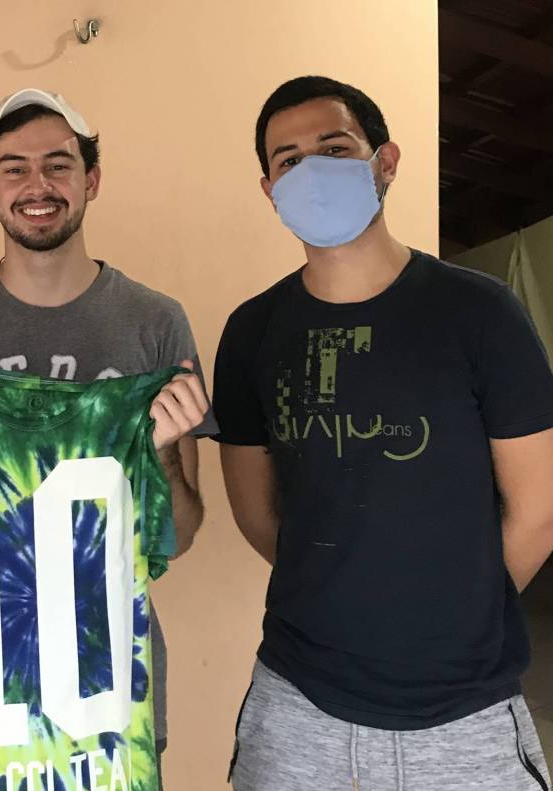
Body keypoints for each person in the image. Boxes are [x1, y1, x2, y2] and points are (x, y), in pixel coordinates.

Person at [213, 75, 553, 790]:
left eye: (334, 148)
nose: (311, 171)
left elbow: (538, 510)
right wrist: (343, 581)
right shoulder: (251, 332)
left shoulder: (481, 314)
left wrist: (456, 606)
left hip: (465, 715)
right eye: (288, 160)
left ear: (385, 161)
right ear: (270, 189)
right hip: (298, 704)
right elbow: (256, 512)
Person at [0, 89, 213, 785]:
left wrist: (162, 452)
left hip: (107, 692)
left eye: (59, 165)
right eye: (14, 168)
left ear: (92, 179)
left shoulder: (155, 324)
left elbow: (178, 533)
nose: (38, 185)